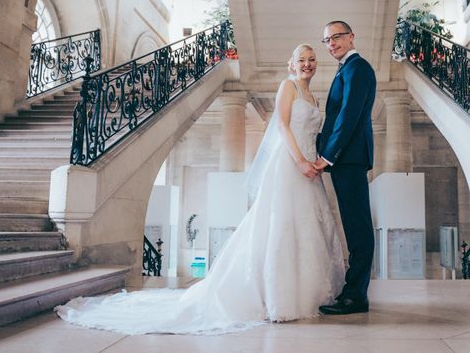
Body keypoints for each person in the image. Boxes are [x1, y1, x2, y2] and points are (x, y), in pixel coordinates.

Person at [55, 44, 345, 335]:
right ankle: (277, 298)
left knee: (305, 228)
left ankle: (307, 294)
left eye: (311, 60)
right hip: (290, 165)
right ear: (291, 64)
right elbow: (282, 127)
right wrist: (301, 161)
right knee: (279, 227)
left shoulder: (314, 97)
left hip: (310, 170)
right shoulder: (288, 87)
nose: (307, 64)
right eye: (301, 60)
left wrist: (316, 163)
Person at [314, 20, 377, 315]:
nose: (331, 44)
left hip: (349, 158)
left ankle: (356, 296)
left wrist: (329, 155)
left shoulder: (358, 68)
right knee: (353, 225)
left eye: (337, 37)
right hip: (346, 159)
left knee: (358, 226)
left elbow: (349, 116)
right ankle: (353, 291)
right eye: (326, 40)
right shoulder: (346, 69)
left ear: (351, 37)